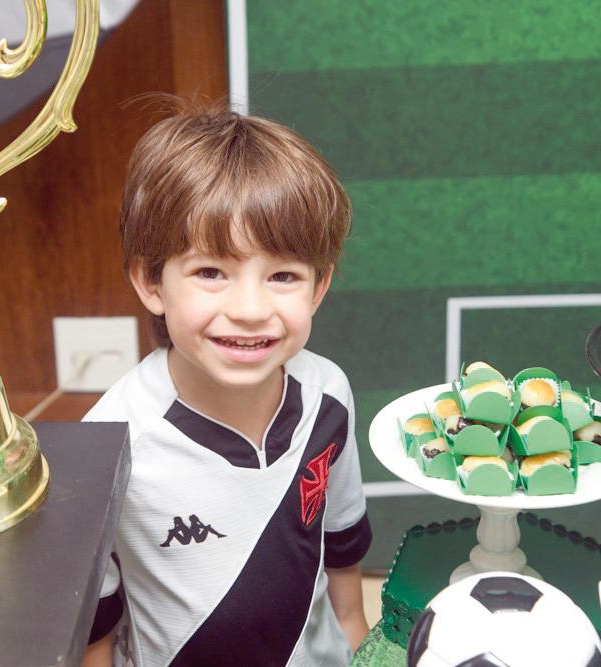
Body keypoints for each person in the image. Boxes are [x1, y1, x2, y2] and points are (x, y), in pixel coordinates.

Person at [82, 101, 372, 667]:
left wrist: (356, 631)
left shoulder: (329, 396)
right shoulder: (112, 442)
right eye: (211, 272)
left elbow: (342, 538)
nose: (249, 309)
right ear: (150, 282)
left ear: (318, 288)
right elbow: (96, 619)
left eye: (283, 275)